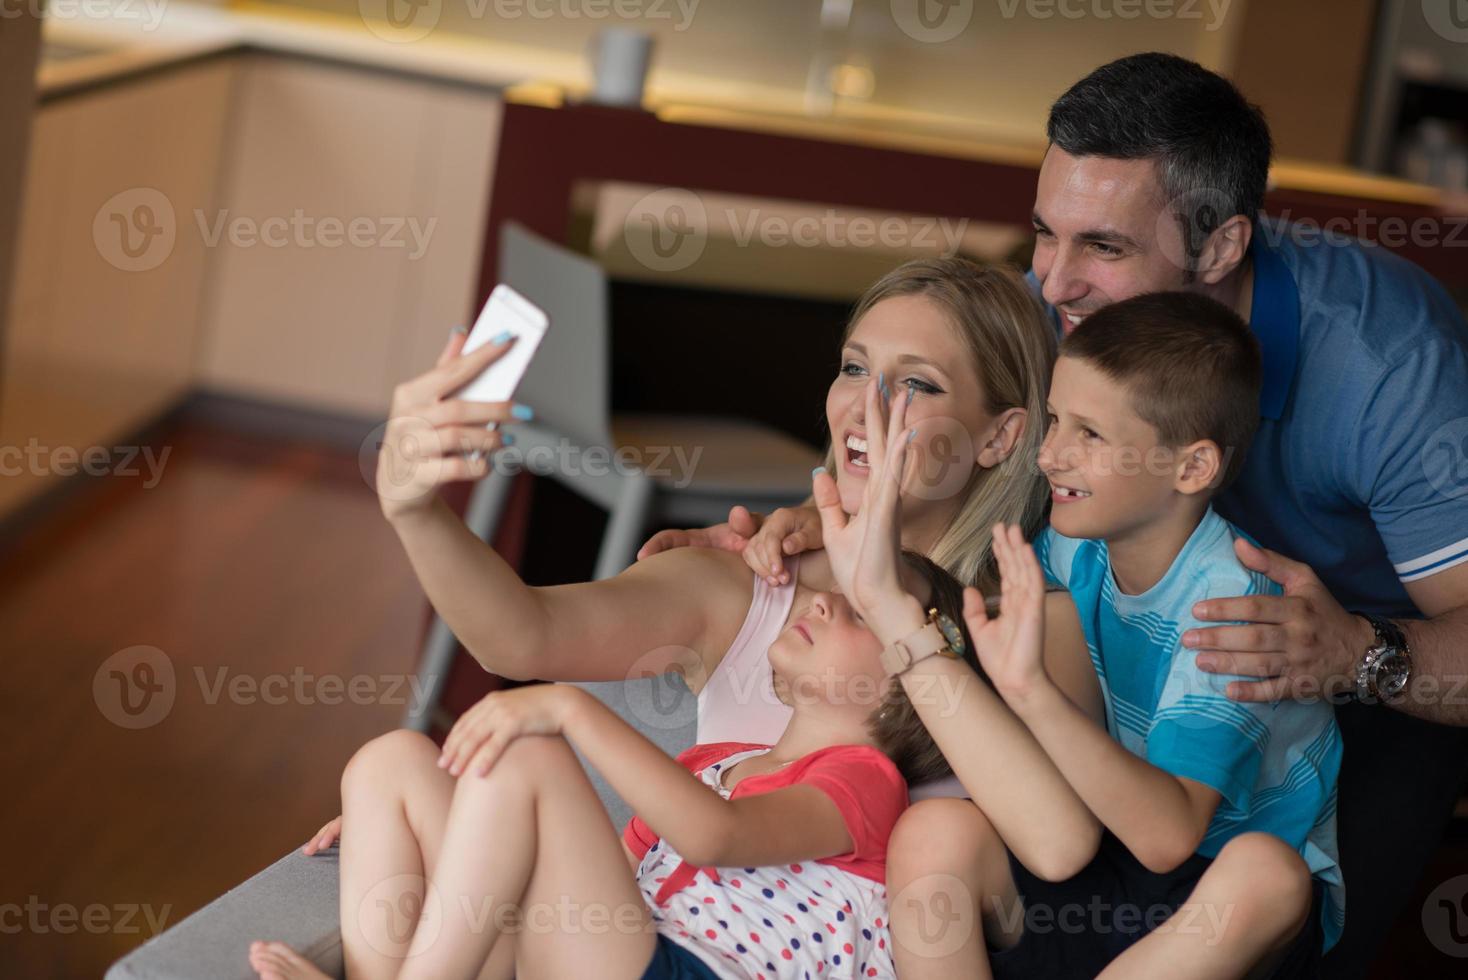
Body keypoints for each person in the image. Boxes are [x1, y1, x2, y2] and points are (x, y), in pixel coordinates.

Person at [653, 52, 1468, 974]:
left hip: (1349, 667)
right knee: (950, 840)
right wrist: (804, 529)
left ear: (1221, 247)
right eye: (1044, 232)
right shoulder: (1066, 326)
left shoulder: (1388, 369)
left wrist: (1359, 654)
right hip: (1115, 680)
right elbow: (941, 435)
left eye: (1103, 247)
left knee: (1276, 897)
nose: (1051, 281)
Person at [246, 526, 1048, 978]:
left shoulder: (868, 783)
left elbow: (717, 839)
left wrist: (564, 709)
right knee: (391, 762)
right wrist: (434, 836)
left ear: (903, 683)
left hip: (694, 971)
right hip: (614, 953)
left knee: (528, 759)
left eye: (865, 616)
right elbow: (602, 878)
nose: (830, 598)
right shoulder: (718, 762)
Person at [816, 290, 1342, 978]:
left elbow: (1168, 838)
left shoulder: (1232, 604)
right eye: (1055, 422)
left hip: (1203, 895)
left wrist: (1034, 694)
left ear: (1191, 468)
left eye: (1089, 435)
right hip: (1098, 866)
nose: (1050, 455)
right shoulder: (1072, 544)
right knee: (939, 831)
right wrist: (807, 531)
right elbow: (940, 562)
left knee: (1269, 873)